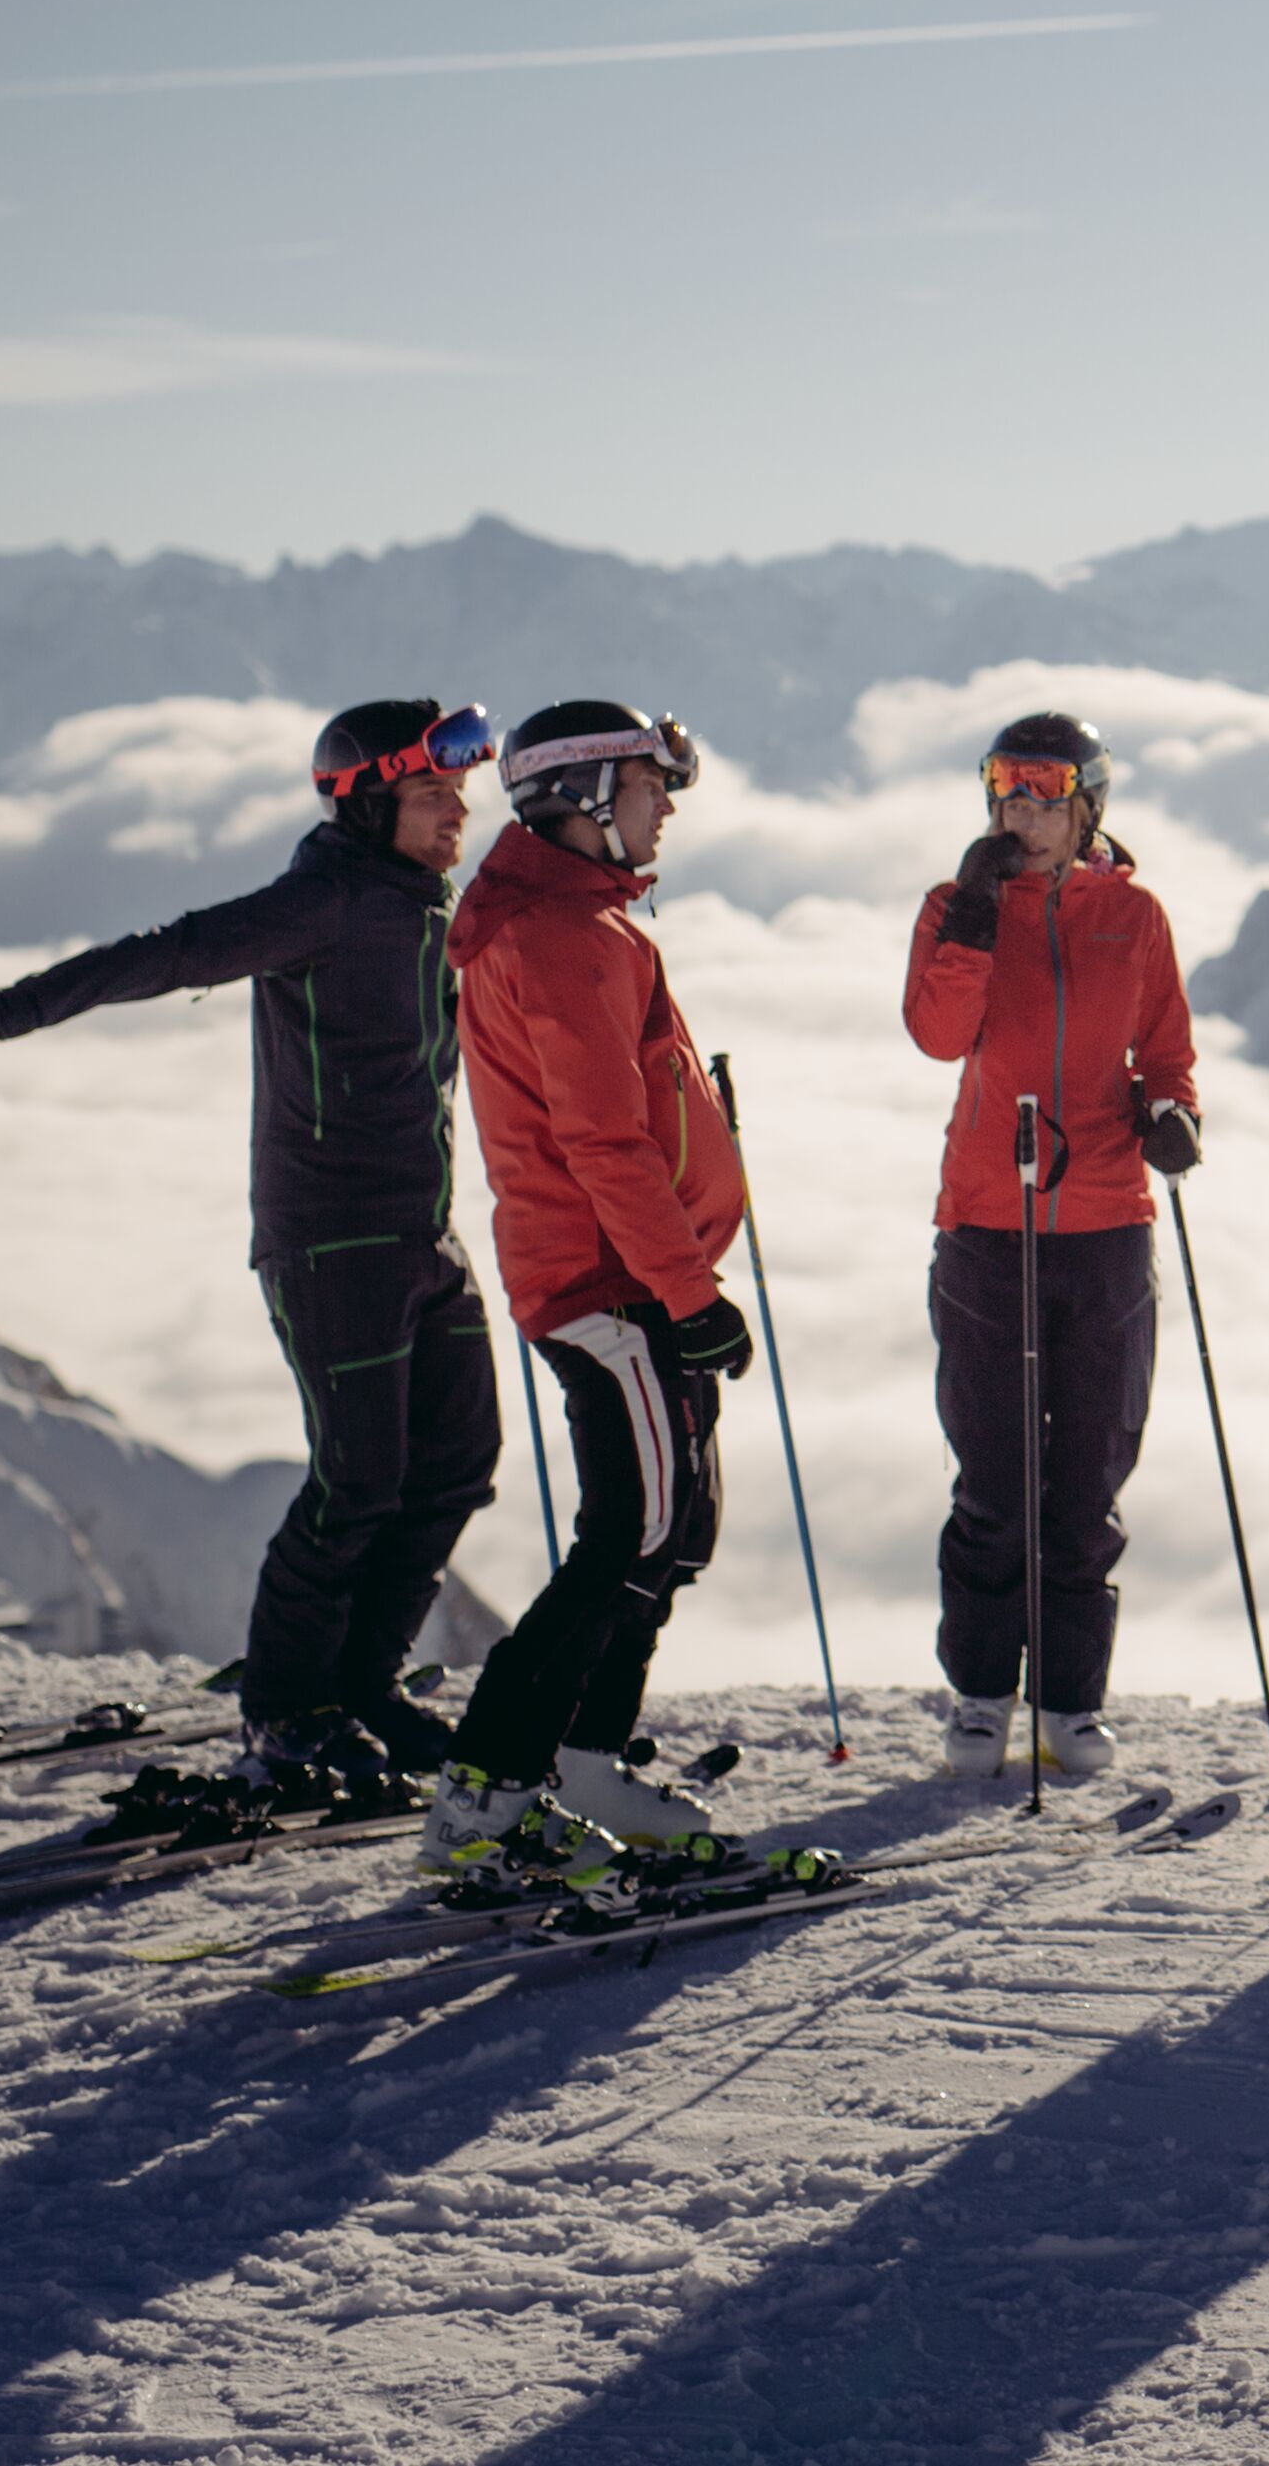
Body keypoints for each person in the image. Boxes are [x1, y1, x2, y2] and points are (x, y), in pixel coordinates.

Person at [0, 699, 503, 1794]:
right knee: (359, 1480)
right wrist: (6, 1009)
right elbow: (169, 953)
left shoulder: (427, 903)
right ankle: (284, 1710)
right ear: (371, 804)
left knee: (456, 1466)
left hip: (426, 1231)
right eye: (435, 792)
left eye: (462, 789)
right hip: (333, 1242)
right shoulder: (320, 901)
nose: (460, 808)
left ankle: (365, 1685)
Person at [428, 701, 749, 1856]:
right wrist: (689, 1295)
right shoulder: (559, 940)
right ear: (588, 796)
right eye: (653, 783)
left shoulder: (583, 921)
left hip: (632, 1278)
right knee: (632, 1532)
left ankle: (580, 1759)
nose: (668, 806)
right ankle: (485, 1796)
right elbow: (602, 1145)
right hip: (610, 1285)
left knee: (672, 1530)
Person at [901, 708, 1200, 1783]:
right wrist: (979, 915)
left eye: (1043, 793)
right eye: (1005, 792)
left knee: (1085, 1486)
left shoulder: (1136, 913)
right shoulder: (955, 906)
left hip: (1109, 1225)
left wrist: (1174, 1110)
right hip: (987, 1223)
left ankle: (1071, 1702)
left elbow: (1167, 1043)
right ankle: (982, 1698)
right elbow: (938, 1033)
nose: (1021, 812)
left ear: (1088, 806)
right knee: (993, 1480)